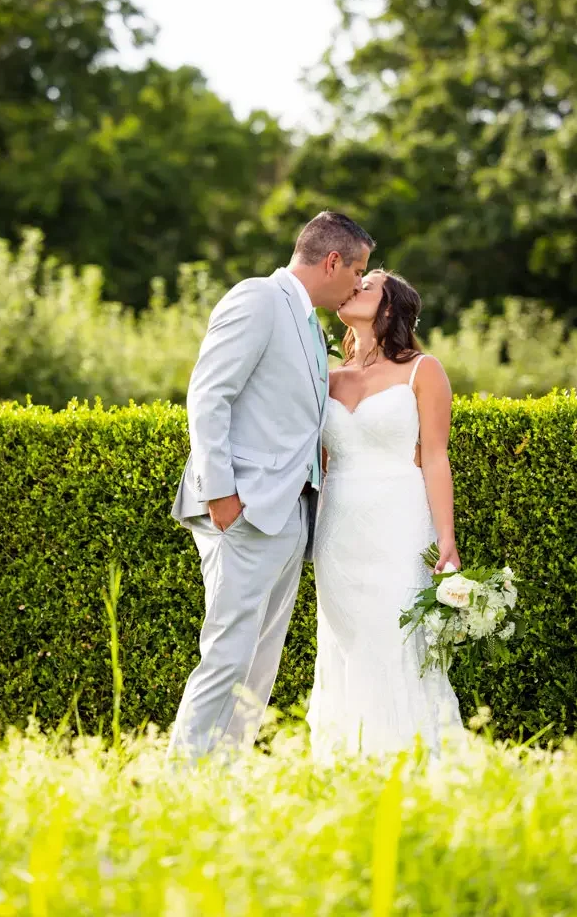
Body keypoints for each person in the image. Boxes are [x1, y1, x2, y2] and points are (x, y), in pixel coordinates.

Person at [168, 211, 375, 762]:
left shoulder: (311, 325)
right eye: (357, 270)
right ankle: (180, 778)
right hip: (242, 509)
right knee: (228, 655)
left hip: (290, 515)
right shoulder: (258, 298)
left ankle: (224, 775)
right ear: (332, 261)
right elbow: (208, 395)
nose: (359, 284)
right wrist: (220, 495)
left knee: (260, 662)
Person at [307, 268, 463, 761]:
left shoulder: (423, 370)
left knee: (394, 638)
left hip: (399, 521)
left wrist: (447, 541)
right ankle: (350, 765)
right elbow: (322, 462)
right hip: (339, 530)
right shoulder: (325, 377)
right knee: (346, 644)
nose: (354, 287)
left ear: (389, 307)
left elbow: (435, 456)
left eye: (367, 285)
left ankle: (407, 764)